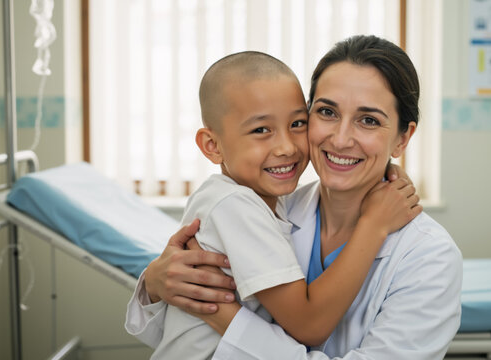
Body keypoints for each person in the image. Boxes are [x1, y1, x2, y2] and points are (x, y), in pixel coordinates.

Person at [127, 35, 463, 359]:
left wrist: (226, 320)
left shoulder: (429, 257)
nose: (341, 138)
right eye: (327, 112)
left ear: (403, 138)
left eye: (368, 120)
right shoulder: (263, 205)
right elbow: (167, 335)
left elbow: (299, 326)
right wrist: (156, 285)